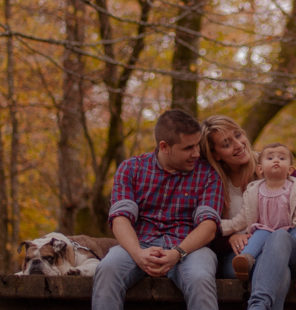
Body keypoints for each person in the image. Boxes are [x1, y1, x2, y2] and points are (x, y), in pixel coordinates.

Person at [93, 109, 224, 310]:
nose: (197, 153)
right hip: (139, 244)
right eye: (188, 148)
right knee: (108, 269)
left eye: (197, 144)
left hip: (189, 249)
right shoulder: (131, 168)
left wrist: (177, 253)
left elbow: (209, 226)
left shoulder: (208, 174)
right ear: (164, 147)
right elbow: (120, 218)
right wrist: (138, 254)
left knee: (200, 277)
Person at [199, 116, 296, 310]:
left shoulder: (274, 162)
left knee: (279, 238)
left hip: (288, 248)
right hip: (242, 256)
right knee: (279, 272)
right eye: (226, 144)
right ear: (216, 155)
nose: (238, 145)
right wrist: (229, 239)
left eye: (238, 135)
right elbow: (204, 228)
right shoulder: (212, 181)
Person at [222, 142, 296, 291]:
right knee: (255, 237)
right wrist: (221, 226)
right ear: (260, 169)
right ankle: (245, 260)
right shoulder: (254, 191)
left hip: (292, 229)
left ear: (290, 170)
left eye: (281, 158)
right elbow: (242, 219)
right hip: (265, 229)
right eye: (270, 158)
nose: (276, 160)